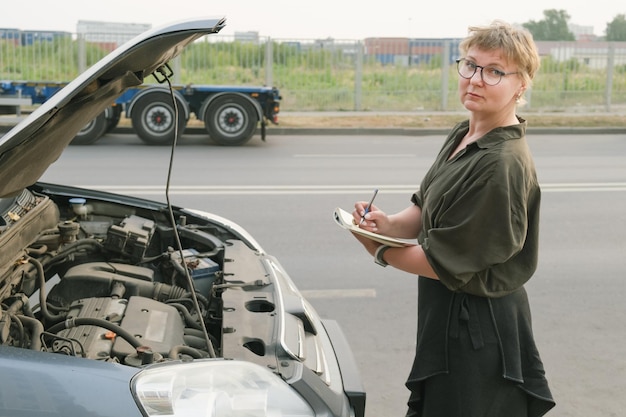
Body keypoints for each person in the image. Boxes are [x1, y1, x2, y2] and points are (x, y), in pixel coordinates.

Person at [350, 21, 555, 416]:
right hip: (448, 318)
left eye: (495, 71)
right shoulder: (467, 132)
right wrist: (387, 224)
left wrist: (377, 251)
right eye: (470, 65)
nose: (476, 79)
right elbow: (427, 208)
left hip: (478, 333)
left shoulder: (501, 164)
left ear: (521, 85)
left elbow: (440, 261)